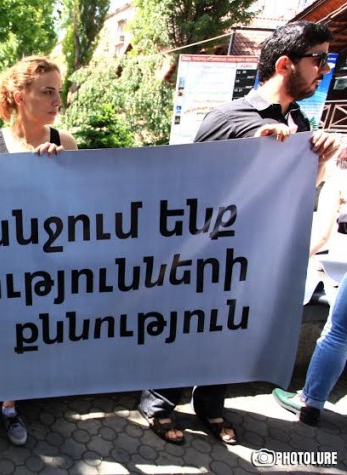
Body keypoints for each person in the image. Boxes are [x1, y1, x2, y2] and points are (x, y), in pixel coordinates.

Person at [138, 20, 341, 446]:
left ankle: (211, 405)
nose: (325, 69)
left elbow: (299, 193)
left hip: (256, 257)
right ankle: (159, 403)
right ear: (286, 64)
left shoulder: (300, 122)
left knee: (233, 332)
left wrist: (318, 163)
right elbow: (187, 187)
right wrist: (258, 148)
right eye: (318, 59)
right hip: (206, 254)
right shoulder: (228, 117)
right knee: (189, 327)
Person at [0, 55, 78, 454]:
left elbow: (78, 211)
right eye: (47, 91)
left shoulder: (65, 143)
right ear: (18, 94)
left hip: (40, 267)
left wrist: (60, 173)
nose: (56, 100)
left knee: (22, 339)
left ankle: (9, 405)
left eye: (58, 92)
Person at [273, 144, 347, 425]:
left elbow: (322, 235)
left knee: (338, 334)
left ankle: (311, 401)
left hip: (336, 269)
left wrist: (289, 259)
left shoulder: (336, 182)